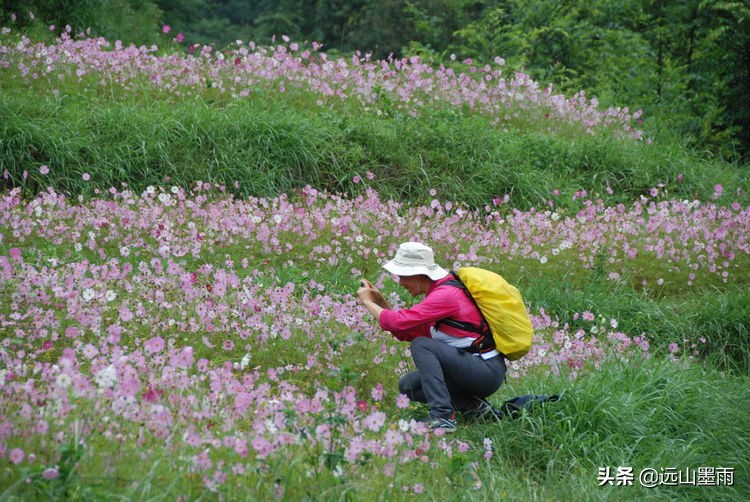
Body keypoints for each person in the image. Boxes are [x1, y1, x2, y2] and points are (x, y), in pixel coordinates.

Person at [357, 242, 506, 432]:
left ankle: (442, 417)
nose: (400, 282)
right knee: (409, 386)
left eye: (402, 275)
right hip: (474, 369)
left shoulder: (446, 295)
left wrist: (368, 302)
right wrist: (381, 304)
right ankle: (476, 408)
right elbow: (405, 331)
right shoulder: (439, 292)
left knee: (422, 346)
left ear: (418, 274)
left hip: (485, 371)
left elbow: (399, 325)